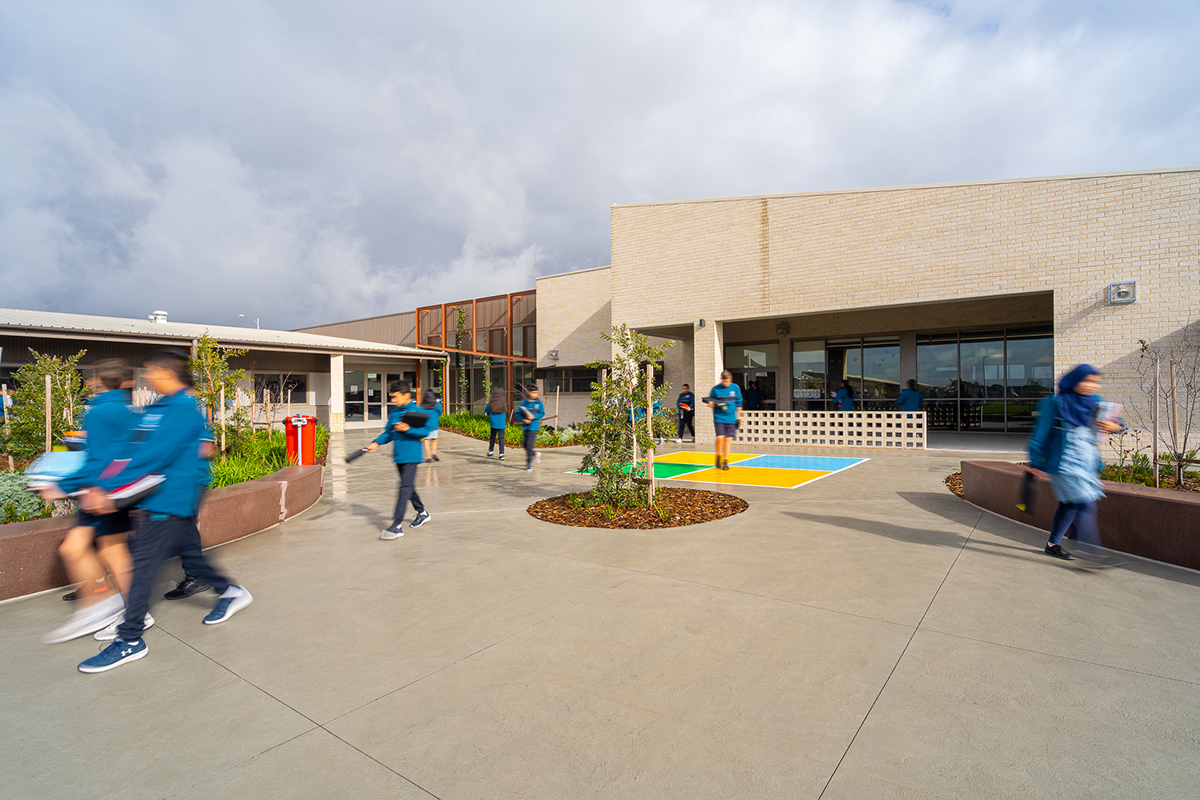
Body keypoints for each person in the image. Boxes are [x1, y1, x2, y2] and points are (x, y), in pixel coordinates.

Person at [77, 350, 252, 674]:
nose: (147, 377)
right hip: (157, 498)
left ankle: (130, 639)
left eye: (151, 371)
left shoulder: (183, 408)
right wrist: (99, 481)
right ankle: (231, 591)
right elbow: (134, 449)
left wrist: (109, 491)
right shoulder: (159, 407)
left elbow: (154, 455)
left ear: (166, 372)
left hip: (169, 500)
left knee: (142, 566)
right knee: (192, 556)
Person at [41, 360, 137, 644]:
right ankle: (128, 610)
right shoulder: (126, 411)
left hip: (98, 492)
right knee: (112, 552)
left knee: (76, 549)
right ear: (126, 384)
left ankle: (97, 606)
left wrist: (62, 485)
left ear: (96, 382)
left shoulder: (99, 412)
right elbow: (121, 453)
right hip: (114, 491)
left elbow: (99, 460)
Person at [1029, 364, 1122, 561]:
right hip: (1064, 464)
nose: (1091, 386)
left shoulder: (1096, 402)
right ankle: (1091, 551)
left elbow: (1117, 423)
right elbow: (1040, 434)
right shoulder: (1054, 404)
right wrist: (1035, 462)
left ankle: (1052, 544)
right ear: (1074, 380)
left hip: (1086, 464)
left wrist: (1112, 425)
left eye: (1095, 382)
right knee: (1085, 503)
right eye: (1086, 380)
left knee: (1069, 505)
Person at [367, 380, 435, 539]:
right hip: (398, 456)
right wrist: (377, 442)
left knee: (404, 488)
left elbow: (425, 432)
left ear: (407, 395)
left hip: (412, 456)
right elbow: (389, 433)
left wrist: (408, 429)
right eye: (392, 397)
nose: (393, 400)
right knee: (408, 487)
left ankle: (397, 525)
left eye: (395, 397)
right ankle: (422, 512)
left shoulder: (417, 412)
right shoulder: (395, 413)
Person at [707, 370, 743, 470]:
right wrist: (711, 404)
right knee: (720, 438)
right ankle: (718, 456)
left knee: (727, 439)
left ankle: (725, 461)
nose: (726, 383)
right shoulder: (715, 389)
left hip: (731, 418)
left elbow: (739, 403)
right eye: (724, 381)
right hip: (719, 417)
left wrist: (739, 417)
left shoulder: (735, 388)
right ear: (721, 380)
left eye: (727, 381)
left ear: (730, 379)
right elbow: (711, 401)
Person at [517, 386, 545, 471]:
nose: (535, 394)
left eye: (536, 393)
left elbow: (542, 413)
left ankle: (528, 463)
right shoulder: (523, 403)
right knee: (525, 444)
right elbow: (518, 413)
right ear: (528, 392)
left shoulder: (539, 403)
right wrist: (523, 420)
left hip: (533, 428)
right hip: (525, 427)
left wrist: (534, 416)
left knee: (529, 445)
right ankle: (535, 454)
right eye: (533, 392)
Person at [420, 389, 442, 462]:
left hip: (425, 426)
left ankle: (428, 457)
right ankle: (434, 453)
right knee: (434, 439)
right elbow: (440, 412)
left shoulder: (422, 405)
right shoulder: (436, 404)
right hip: (434, 425)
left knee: (426, 440)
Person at [486, 388, 507, 460]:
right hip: (501, 423)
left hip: (493, 422)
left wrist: (489, 413)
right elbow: (505, 411)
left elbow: (486, 410)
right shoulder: (503, 403)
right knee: (501, 438)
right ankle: (501, 454)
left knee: (492, 437)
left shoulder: (490, 403)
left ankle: (491, 452)